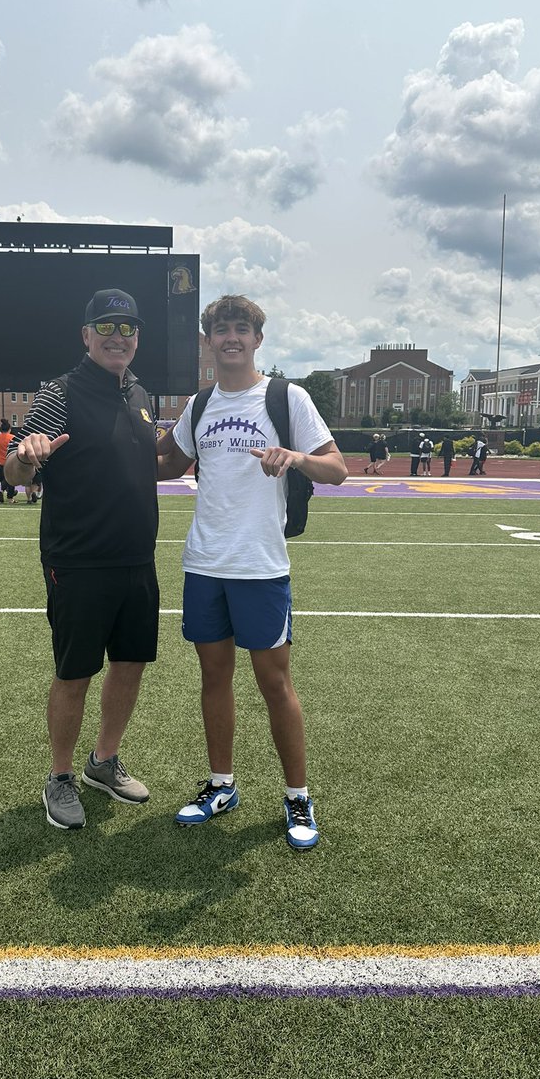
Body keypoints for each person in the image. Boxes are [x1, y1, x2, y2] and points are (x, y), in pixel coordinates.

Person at [156, 294, 348, 851]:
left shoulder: (287, 397)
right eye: (221, 331)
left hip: (261, 566)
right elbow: (168, 464)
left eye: (242, 329)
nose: (231, 338)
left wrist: (295, 457)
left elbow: (336, 469)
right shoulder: (200, 403)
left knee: (275, 684)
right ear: (208, 341)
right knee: (214, 678)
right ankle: (221, 786)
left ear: (257, 339)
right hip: (205, 563)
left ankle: (296, 796)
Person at [3, 288, 158, 831]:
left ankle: (104, 762)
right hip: (79, 560)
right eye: (108, 328)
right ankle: (60, 776)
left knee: (131, 662)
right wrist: (26, 459)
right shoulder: (59, 393)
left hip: (137, 559)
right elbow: (14, 467)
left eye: (129, 329)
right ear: (86, 336)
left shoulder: (141, 392)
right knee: (74, 672)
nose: (119, 338)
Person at [0, 418, 17, 503]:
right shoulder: (12, 437)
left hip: (1, 461)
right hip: (11, 461)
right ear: (9, 429)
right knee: (11, 479)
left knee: (4, 478)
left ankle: (2, 490)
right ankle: (10, 497)